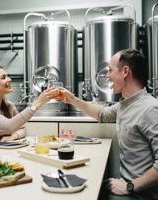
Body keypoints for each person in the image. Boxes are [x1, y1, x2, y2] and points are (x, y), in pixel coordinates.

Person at [58, 49, 158, 200]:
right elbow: (102, 114)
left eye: (110, 70)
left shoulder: (150, 109)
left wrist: (129, 186)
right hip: (127, 185)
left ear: (125, 71)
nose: (107, 76)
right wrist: (72, 99)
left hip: (141, 193)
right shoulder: (126, 104)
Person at [0, 65, 59, 155]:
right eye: (3, 77)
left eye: (7, 76)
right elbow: (9, 125)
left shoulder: (8, 106)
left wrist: (13, 136)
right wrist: (37, 104)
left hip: (0, 157)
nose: (9, 79)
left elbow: (23, 129)